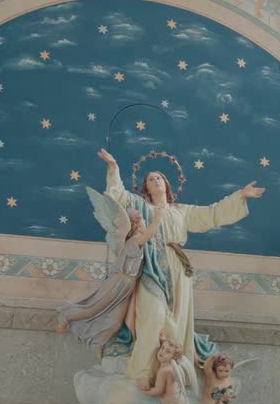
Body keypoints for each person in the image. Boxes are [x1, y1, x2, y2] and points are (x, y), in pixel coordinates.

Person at [96, 148, 264, 381]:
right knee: (152, 315)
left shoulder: (181, 212)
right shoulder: (142, 207)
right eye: (150, 179)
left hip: (178, 266)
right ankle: (143, 373)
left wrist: (240, 196)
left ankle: (174, 377)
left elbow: (212, 214)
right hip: (151, 265)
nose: (155, 180)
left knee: (179, 320)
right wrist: (113, 168)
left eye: (159, 178)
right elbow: (118, 196)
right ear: (146, 188)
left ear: (166, 184)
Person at [57, 194, 161, 359]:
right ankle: (66, 315)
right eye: (141, 220)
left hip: (127, 287)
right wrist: (158, 216)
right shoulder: (134, 241)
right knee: (93, 309)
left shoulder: (140, 242)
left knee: (115, 322)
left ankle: (98, 343)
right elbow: (150, 233)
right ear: (135, 224)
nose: (143, 223)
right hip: (118, 282)